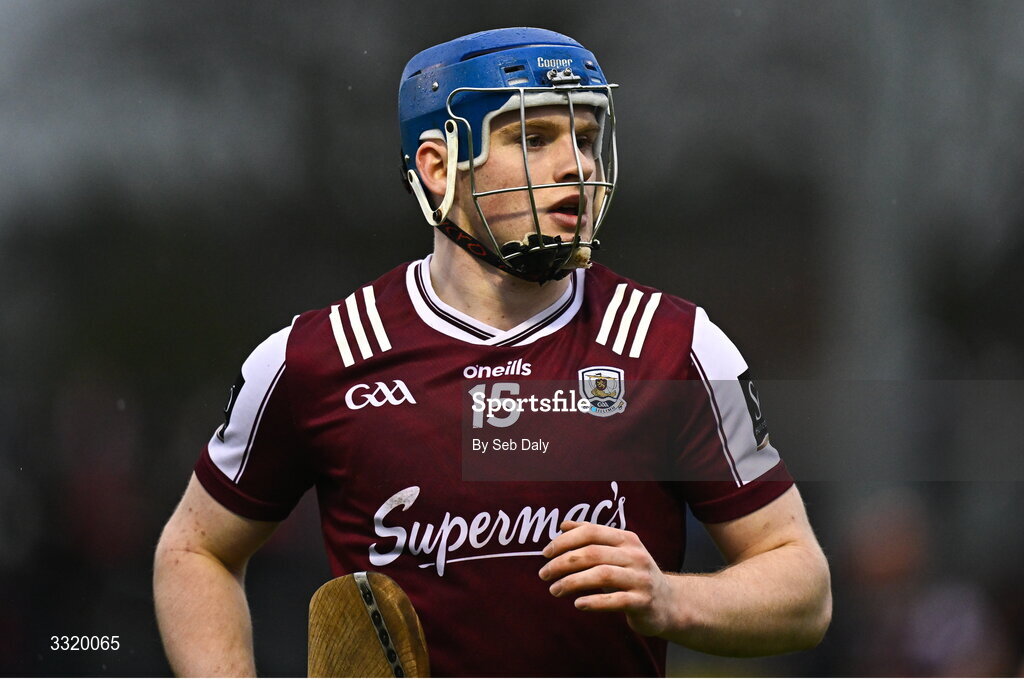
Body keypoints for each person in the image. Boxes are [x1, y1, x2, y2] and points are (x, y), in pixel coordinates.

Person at [154, 27, 831, 677]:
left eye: (588, 138)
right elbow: (193, 551)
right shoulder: (317, 357)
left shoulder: (672, 347)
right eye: (533, 137)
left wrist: (670, 598)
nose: (577, 165)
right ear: (438, 166)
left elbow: (804, 591)